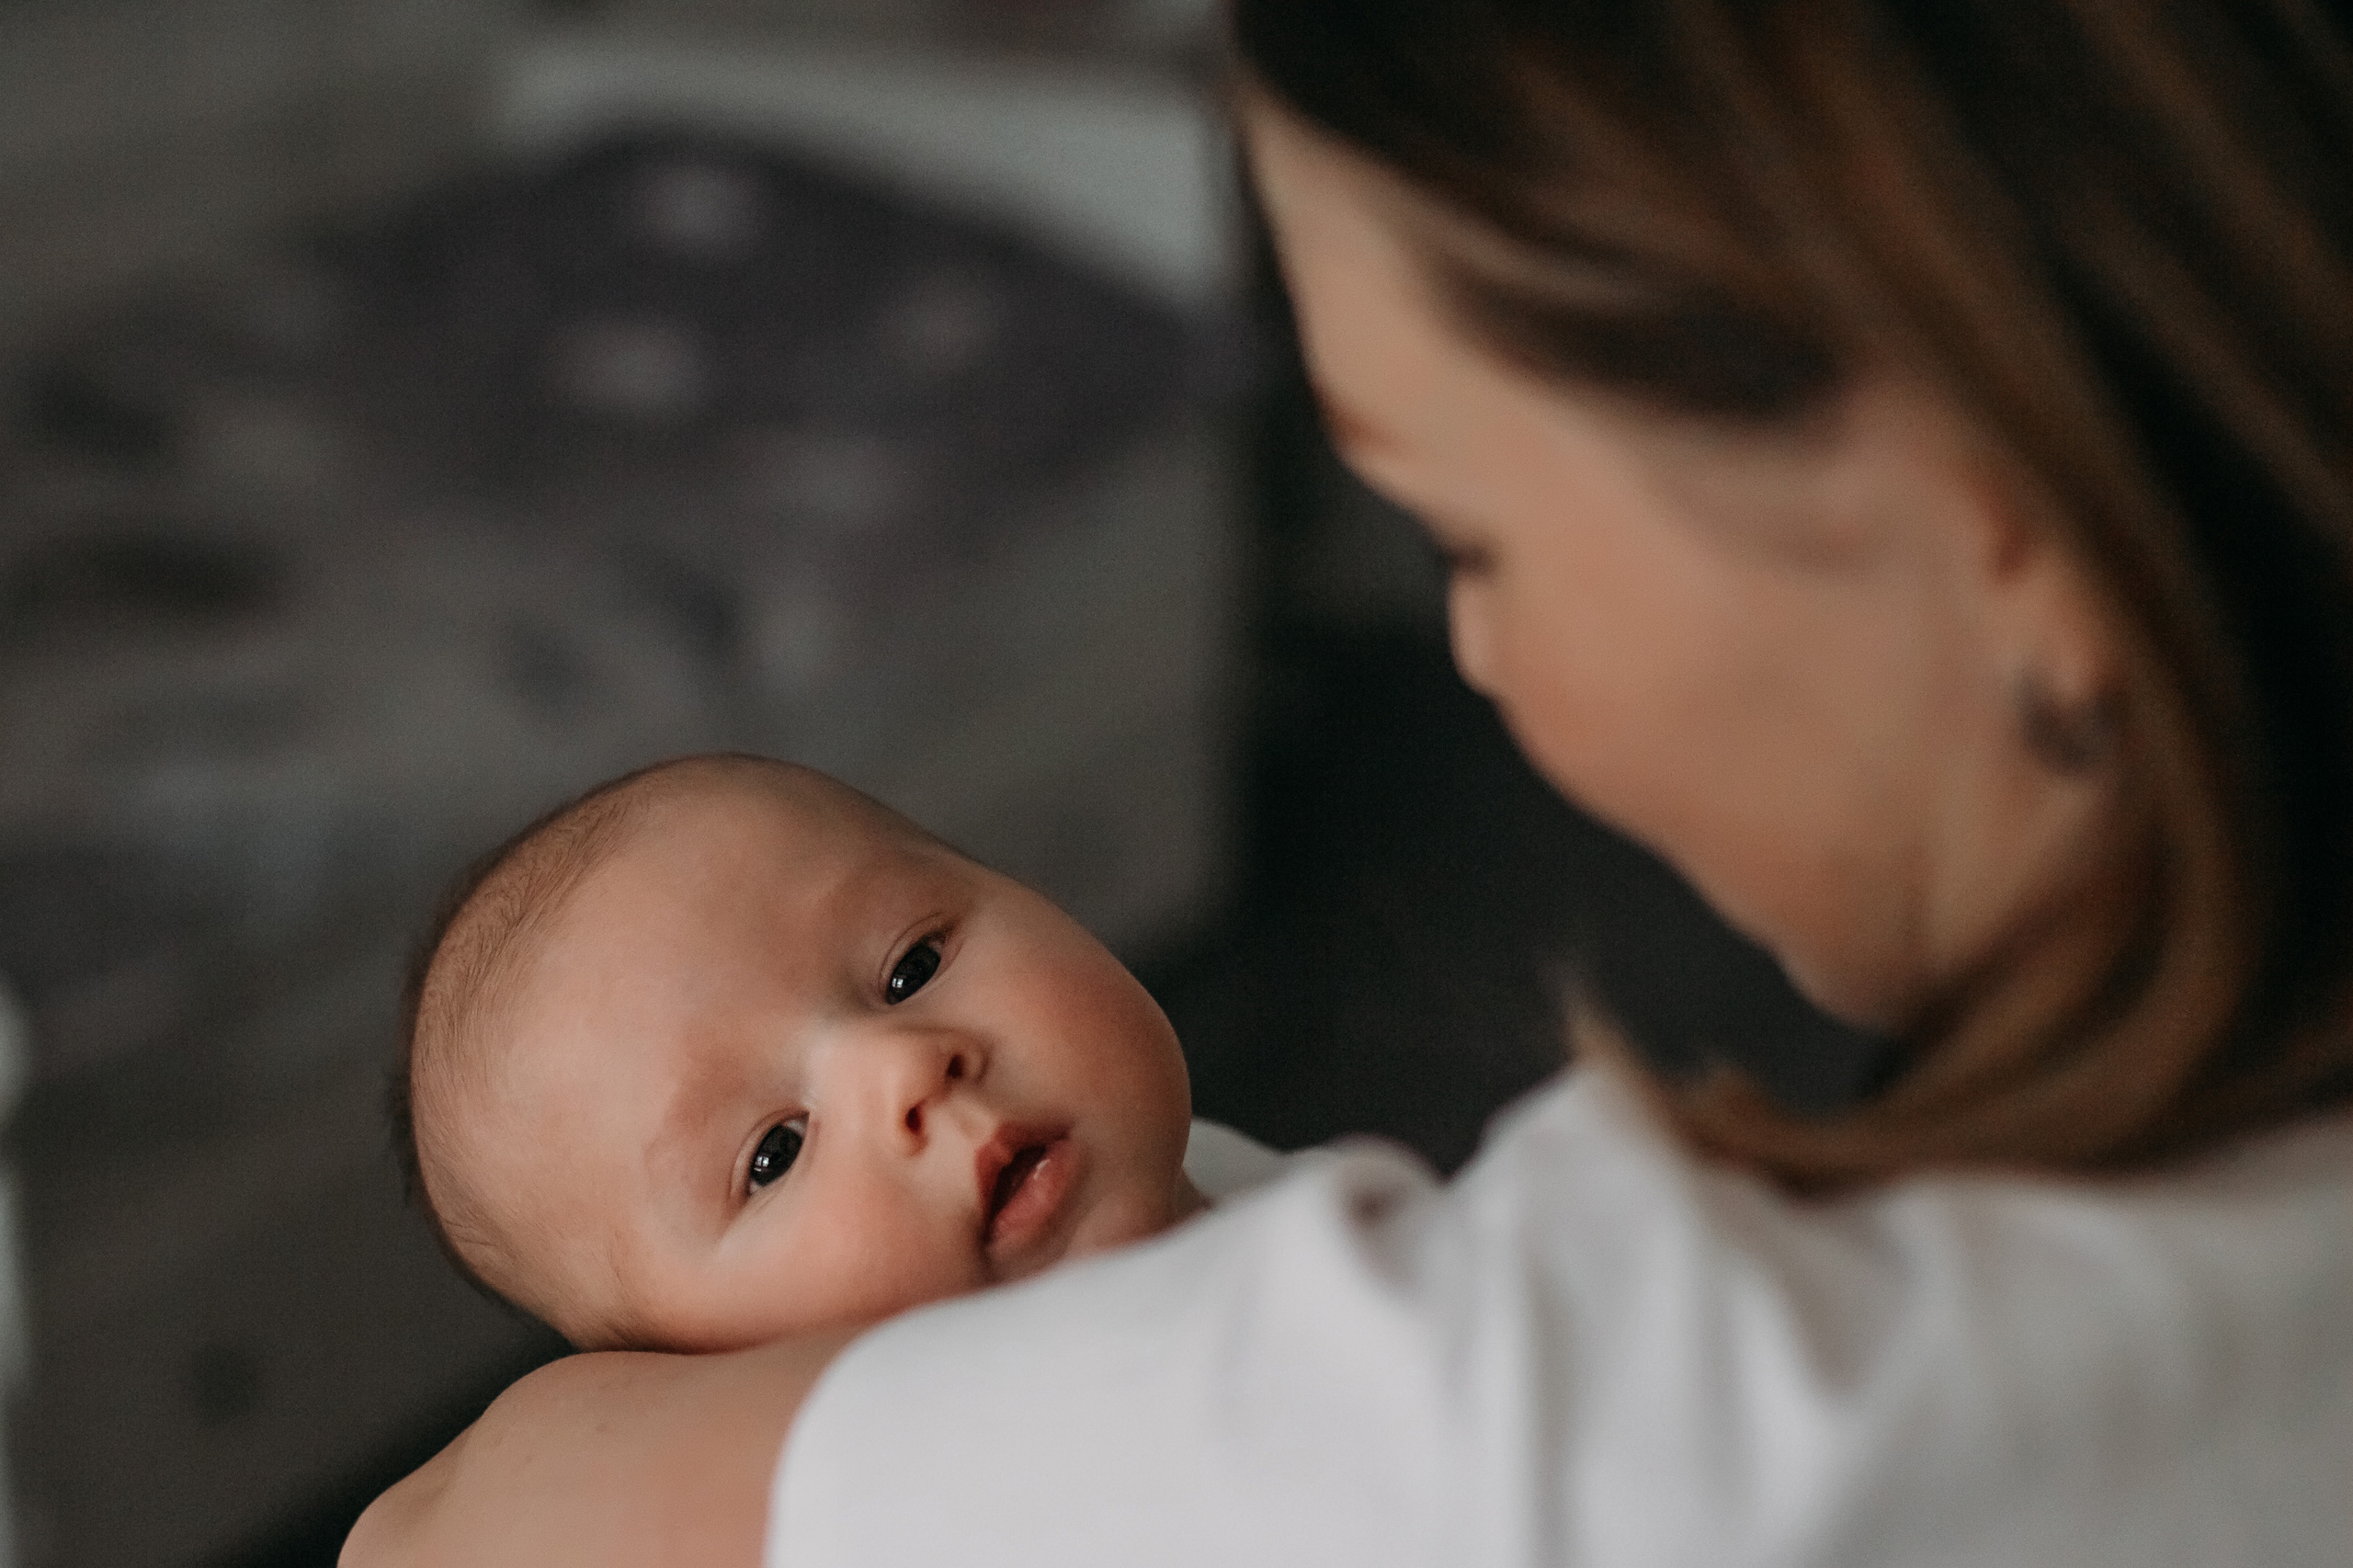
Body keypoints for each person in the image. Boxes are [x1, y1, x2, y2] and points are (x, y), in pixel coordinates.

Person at [343, 2, 2353, 1563]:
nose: (908, 1071)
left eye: (1464, 535)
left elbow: (436, 1536)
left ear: (1977, 507)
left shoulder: (1632, 1410)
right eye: (766, 1156)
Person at [392, 753, 1286, 1354]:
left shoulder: (1234, 1181)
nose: (901, 1066)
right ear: (695, 1380)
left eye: (912, 966)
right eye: (774, 1153)